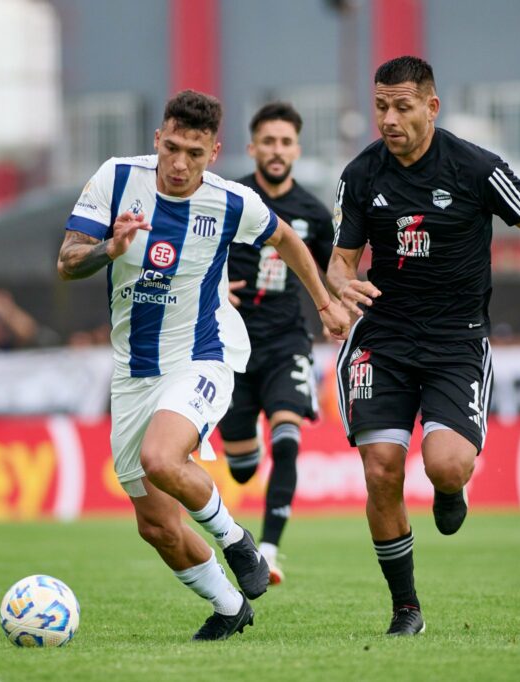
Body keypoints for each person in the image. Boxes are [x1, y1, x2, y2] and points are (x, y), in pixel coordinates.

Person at [56, 90, 348, 641]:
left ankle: (238, 541)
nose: (180, 164)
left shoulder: (230, 201)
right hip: (133, 371)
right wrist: (108, 250)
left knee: (162, 458)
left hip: (203, 355)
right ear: (156, 141)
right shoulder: (116, 179)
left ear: (214, 152)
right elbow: (67, 260)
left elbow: (285, 238)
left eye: (194, 152)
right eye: (172, 148)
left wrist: (326, 302)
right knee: (157, 525)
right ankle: (229, 605)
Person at [328, 56, 520, 636]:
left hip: (458, 341)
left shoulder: (477, 168)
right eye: (380, 106)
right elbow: (340, 263)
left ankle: (452, 490)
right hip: (383, 338)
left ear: (431, 106)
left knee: (447, 465)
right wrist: (339, 290)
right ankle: (406, 609)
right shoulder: (361, 175)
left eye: (402, 106)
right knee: (381, 470)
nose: (389, 119)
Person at [217, 102, 334, 585]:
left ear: (297, 149)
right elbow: (196, 252)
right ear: (253, 148)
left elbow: (331, 272)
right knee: (242, 469)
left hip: (287, 342)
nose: (277, 150)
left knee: (287, 440)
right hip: (230, 347)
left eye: (286, 142)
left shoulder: (312, 213)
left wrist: (336, 307)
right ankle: (245, 455)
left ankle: (267, 552)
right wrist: (216, 286)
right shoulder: (229, 197)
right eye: (268, 141)